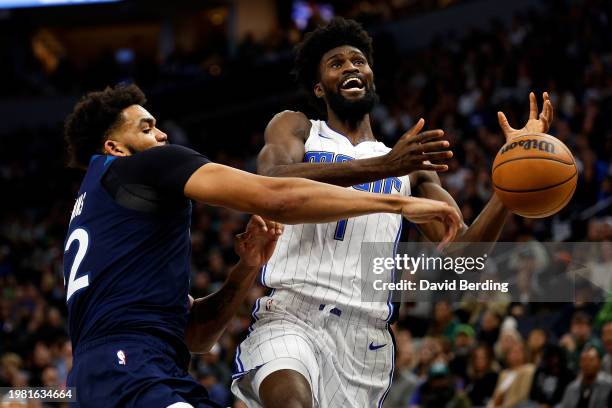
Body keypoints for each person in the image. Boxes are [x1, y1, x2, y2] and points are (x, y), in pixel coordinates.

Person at [62, 84, 462, 408]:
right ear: (114, 147)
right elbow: (279, 198)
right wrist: (398, 200)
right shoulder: (144, 166)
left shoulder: (104, 211)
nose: (163, 134)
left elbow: (197, 337)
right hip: (127, 369)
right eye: (147, 128)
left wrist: (247, 267)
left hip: (136, 369)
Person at [231, 17, 554, 408]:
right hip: (292, 314)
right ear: (319, 88)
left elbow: (464, 254)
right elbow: (272, 181)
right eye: (336, 63)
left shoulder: (410, 165)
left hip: (366, 338)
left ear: (370, 75)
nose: (350, 66)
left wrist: (510, 184)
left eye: (358, 60)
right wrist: (384, 167)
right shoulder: (299, 128)